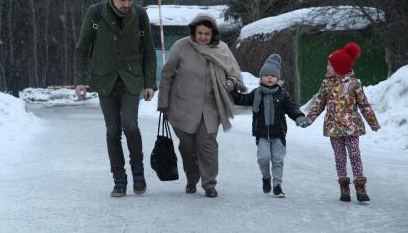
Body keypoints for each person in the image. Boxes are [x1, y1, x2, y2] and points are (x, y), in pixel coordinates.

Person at [74, 0, 157, 197]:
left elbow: (149, 51)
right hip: (105, 80)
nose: (127, 4)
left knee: (130, 125)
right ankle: (119, 178)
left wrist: (150, 82)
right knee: (112, 131)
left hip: (131, 80)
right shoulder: (96, 14)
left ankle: (138, 173)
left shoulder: (139, 15)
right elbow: (82, 49)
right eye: (122, 0)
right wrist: (80, 80)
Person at [157, 13, 246, 198]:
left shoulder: (222, 49)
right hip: (182, 107)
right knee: (188, 148)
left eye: (207, 33)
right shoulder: (181, 47)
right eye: (200, 33)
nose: (203, 37)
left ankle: (209, 184)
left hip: (210, 108)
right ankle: (192, 178)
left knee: (208, 146)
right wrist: (163, 103)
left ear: (213, 33)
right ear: (194, 32)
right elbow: (167, 75)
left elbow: (235, 74)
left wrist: (231, 82)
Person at [303, 42, 380, 202]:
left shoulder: (354, 84)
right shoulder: (326, 84)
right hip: (333, 127)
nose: (327, 68)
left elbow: (364, 104)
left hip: (352, 127)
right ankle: (344, 187)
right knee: (339, 157)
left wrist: (373, 122)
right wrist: (308, 119)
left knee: (354, 154)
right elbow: (319, 104)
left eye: (329, 65)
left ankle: (360, 186)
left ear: (340, 67)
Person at [230, 54, 306, 198]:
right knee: (263, 159)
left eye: (273, 75)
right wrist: (233, 91)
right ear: (261, 77)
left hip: (279, 134)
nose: (269, 78)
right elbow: (241, 99)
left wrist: (299, 117)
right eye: (266, 75)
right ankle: (266, 177)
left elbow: (292, 108)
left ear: (278, 78)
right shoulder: (256, 93)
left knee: (278, 161)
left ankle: (277, 186)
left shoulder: (282, 94)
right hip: (262, 134)